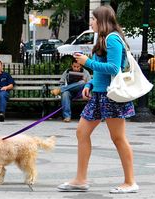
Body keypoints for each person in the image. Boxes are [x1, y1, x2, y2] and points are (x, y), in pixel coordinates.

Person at [57, 5, 138, 194]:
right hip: (99, 95)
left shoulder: (112, 39)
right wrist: (90, 84)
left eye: (93, 19)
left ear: (101, 21)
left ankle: (130, 182)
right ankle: (80, 179)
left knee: (118, 138)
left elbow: (114, 68)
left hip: (111, 97)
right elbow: (102, 71)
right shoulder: (103, 40)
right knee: (82, 132)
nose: (90, 22)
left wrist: (87, 63)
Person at [51, 58, 91, 122]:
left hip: (81, 92)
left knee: (82, 82)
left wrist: (85, 82)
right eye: (74, 66)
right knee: (65, 93)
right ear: (71, 65)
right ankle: (67, 116)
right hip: (70, 92)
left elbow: (89, 84)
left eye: (78, 67)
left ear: (80, 66)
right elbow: (62, 82)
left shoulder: (85, 72)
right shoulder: (67, 72)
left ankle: (60, 90)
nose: (76, 68)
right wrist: (65, 86)